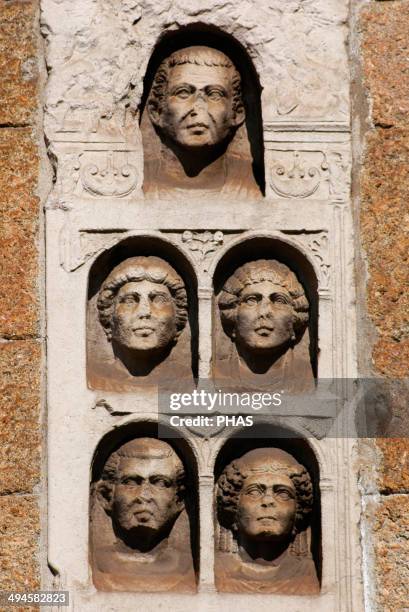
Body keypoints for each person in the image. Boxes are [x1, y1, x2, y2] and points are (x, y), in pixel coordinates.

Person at [142, 45, 261, 199]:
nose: (198, 108)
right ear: (156, 111)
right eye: (183, 93)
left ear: (237, 112)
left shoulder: (250, 190)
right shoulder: (139, 184)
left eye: (214, 95)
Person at [91, 438, 196, 592]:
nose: (144, 495)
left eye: (160, 483)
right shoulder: (88, 565)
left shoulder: (193, 567)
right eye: (131, 482)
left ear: (179, 500)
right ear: (106, 497)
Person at [215, 447, 319, 594]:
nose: (268, 501)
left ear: (299, 510)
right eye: (254, 492)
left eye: (283, 493)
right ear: (233, 504)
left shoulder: (309, 576)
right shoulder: (212, 573)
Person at [89, 256, 192, 389]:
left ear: (178, 318)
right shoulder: (93, 384)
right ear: (108, 319)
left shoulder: (192, 386)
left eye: (159, 300)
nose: (144, 312)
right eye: (129, 301)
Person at [216, 259, 314, 391]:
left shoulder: (308, 380)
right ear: (233, 314)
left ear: (296, 316)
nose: (264, 312)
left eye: (279, 301)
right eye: (251, 300)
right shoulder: (215, 376)